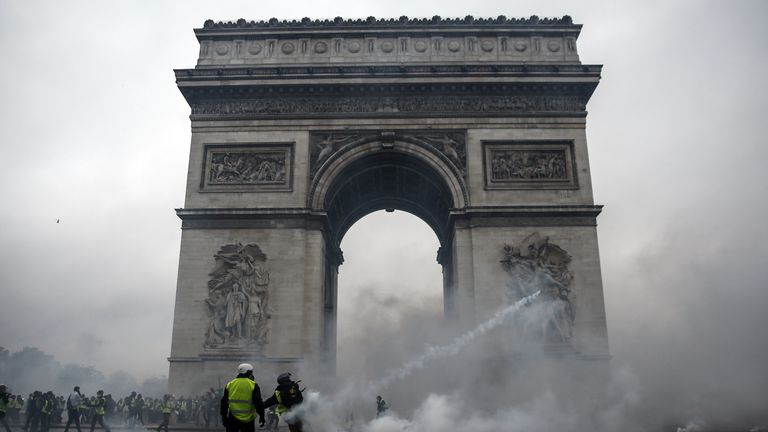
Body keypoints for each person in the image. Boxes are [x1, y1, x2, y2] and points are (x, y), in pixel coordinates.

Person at [220, 363, 265, 432]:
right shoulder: (253, 385)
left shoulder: (230, 384)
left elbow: (224, 402)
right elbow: (258, 402)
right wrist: (262, 416)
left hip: (233, 418)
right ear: (248, 372)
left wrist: (224, 417)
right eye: (251, 372)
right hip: (248, 419)